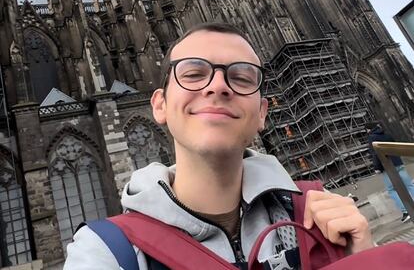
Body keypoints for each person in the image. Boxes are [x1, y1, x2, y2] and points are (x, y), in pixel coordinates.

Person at [64, 23, 373, 269]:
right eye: (194, 74)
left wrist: (363, 261)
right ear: (159, 105)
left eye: (240, 78)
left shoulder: (319, 217)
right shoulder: (107, 251)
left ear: (262, 113)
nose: (217, 86)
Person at [366, 122, 414, 223]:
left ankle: (406, 211)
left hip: (387, 166)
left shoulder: (372, 138)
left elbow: (375, 154)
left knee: (392, 189)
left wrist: (377, 168)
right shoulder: (387, 134)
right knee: (409, 185)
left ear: (368, 129)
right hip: (398, 163)